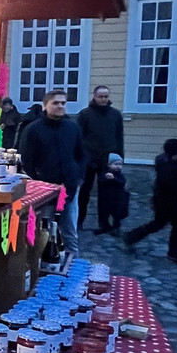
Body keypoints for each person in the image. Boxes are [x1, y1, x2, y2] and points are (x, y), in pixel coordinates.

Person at [20, 90, 86, 256]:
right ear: (45, 105)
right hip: (45, 191)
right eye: (55, 103)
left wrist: (78, 176)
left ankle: (72, 262)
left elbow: (81, 155)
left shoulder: (72, 128)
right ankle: (41, 262)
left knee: (70, 230)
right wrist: (39, 182)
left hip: (69, 187)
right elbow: (26, 160)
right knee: (44, 230)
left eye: (63, 103)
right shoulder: (33, 130)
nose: (60, 106)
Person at [124, 139, 177, 264]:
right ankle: (175, 254)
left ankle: (130, 237)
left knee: (158, 223)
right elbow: (175, 185)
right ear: (176, 153)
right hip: (168, 201)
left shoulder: (169, 163)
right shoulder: (169, 167)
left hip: (163, 200)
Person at [77, 85, 124, 232]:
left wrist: (119, 159)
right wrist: (80, 157)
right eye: (100, 96)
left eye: (106, 96)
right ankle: (79, 221)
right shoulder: (85, 114)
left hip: (108, 160)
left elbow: (119, 138)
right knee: (84, 193)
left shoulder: (115, 115)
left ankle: (104, 224)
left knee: (107, 195)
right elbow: (79, 137)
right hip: (89, 160)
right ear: (95, 97)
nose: (103, 99)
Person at [93, 153, 129, 236]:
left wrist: (114, 179)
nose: (118, 166)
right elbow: (100, 181)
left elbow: (122, 183)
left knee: (117, 214)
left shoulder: (119, 175)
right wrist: (106, 178)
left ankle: (116, 228)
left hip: (117, 199)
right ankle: (104, 226)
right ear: (109, 165)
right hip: (106, 199)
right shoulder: (105, 173)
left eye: (120, 164)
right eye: (116, 164)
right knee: (104, 213)